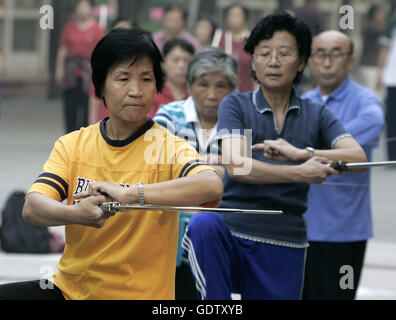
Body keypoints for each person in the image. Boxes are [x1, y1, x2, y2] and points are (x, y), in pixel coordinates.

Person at [0, 28, 223, 300]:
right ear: (101, 86)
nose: (136, 91)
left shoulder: (168, 147)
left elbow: (211, 185)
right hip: (71, 291)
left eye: (146, 79)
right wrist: (77, 214)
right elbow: (33, 207)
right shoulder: (73, 144)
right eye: (123, 78)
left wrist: (132, 194)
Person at [182, 12, 367, 300]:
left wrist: (302, 153)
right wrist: (300, 171)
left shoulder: (317, 114)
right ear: (253, 62)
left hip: (285, 240)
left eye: (284, 53)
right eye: (264, 53)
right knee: (204, 224)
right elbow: (238, 166)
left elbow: (356, 157)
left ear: (302, 61)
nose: (273, 61)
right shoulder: (236, 105)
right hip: (232, 233)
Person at [301, 31, 385, 300]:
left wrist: (305, 150)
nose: (327, 62)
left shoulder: (365, 102)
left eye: (336, 54)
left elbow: (373, 124)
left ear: (350, 61)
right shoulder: (304, 102)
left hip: (343, 232)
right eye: (320, 54)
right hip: (299, 228)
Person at [154, 47, 237, 299]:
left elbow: (246, 170)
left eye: (221, 86)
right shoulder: (168, 117)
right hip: (171, 235)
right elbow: (159, 170)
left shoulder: (240, 120)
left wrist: (221, 164)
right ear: (190, 84)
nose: (212, 94)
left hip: (220, 232)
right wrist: (216, 168)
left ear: (232, 88)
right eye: (203, 85)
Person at [55, 0, 105, 133]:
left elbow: (101, 52)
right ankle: (69, 136)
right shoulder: (69, 27)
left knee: (86, 105)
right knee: (70, 105)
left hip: (89, 73)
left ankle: (83, 137)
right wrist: (59, 69)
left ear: (91, 9)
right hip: (71, 72)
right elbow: (63, 49)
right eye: (79, 6)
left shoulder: (98, 29)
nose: (81, 9)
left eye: (85, 6)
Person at [88, 18, 135, 125]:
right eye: (118, 32)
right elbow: (94, 97)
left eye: (127, 32)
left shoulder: (142, 63)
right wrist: (92, 125)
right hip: (105, 123)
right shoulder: (103, 62)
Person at [212, 3, 254, 92]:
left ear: (245, 18)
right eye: (231, 15)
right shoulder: (219, 37)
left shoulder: (252, 39)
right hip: (222, 91)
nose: (234, 19)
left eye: (237, 15)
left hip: (246, 91)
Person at [148, 38, 195, 118]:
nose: (181, 66)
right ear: (163, 64)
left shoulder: (196, 94)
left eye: (186, 60)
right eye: (175, 60)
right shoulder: (152, 93)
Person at [377, 5, 396, 161]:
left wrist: (380, 73)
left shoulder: (392, 22)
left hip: (392, 78)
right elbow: (385, 48)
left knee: (392, 120)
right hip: (392, 77)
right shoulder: (392, 22)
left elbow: (384, 49)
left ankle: (392, 156)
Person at [358, 4, 387, 98]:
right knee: (373, 97)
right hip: (371, 67)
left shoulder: (371, 27)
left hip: (369, 66)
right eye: (380, 13)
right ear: (374, 15)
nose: (383, 15)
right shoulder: (373, 29)